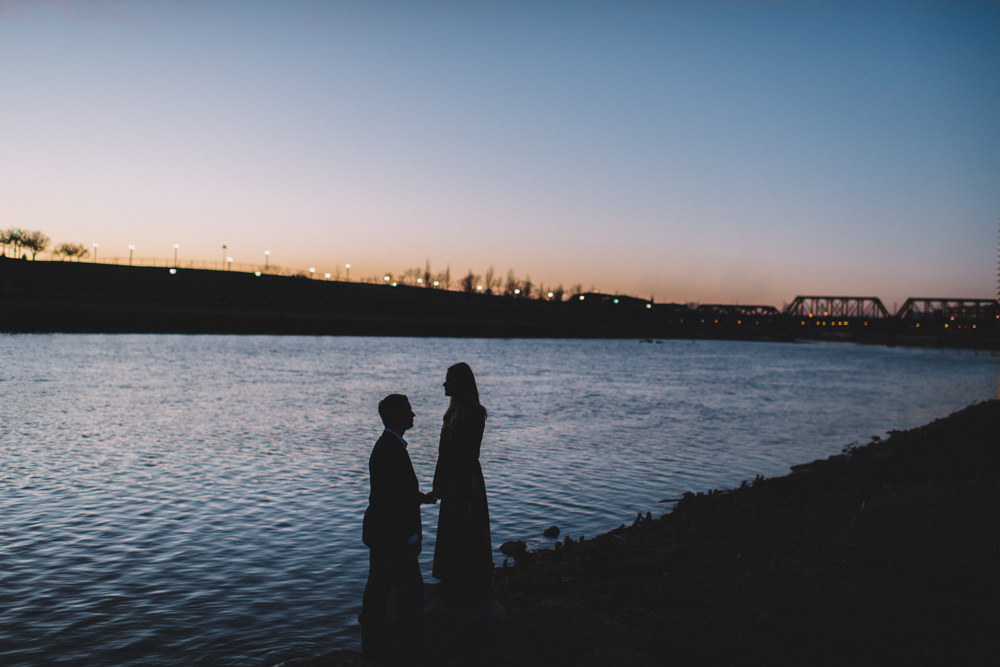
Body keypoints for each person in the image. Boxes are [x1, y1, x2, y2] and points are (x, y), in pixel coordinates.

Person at [361, 394, 435, 663]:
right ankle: (405, 649)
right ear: (395, 416)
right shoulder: (390, 449)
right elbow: (391, 501)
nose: (414, 415)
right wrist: (411, 535)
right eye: (408, 411)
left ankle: (374, 646)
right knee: (410, 591)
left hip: (383, 533)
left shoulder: (389, 446)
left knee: (379, 588)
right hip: (392, 536)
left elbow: (396, 492)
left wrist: (421, 498)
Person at [432, 362, 494, 599]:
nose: (444, 383)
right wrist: (438, 481)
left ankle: (469, 580)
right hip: (452, 478)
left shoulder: (474, 413)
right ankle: (452, 578)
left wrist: (450, 478)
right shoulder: (450, 414)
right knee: (453, 528)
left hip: (465, 480)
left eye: (449, 379)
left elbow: (466, 453)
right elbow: (443, 453)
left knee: (466, 528)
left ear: (461, 383)